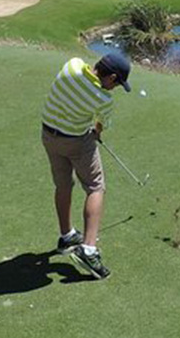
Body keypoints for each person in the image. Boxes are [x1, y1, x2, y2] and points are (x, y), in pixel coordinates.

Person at [41, 52, 131, 279]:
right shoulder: (104, 98)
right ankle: (88, 251)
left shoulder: (71, 65)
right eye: (118, 83)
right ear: (110, 77)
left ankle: (67, 236)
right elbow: (100, 124)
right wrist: (96, 131)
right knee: (95, 187)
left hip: (48, 134)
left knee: (63, 185)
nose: (116, 87)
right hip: (76, 141)